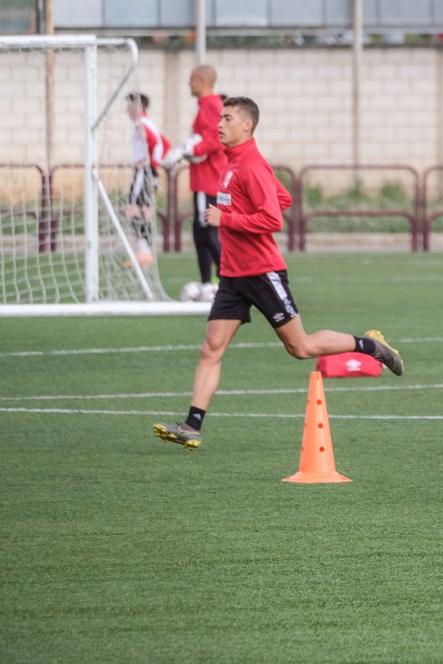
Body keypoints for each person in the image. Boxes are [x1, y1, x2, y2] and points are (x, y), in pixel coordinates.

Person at [153, 97, 404, 450]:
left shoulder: (250, 165)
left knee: (300, 348)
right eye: (220, 118)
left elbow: (273, 217)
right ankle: (192, 425)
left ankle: (371, 346)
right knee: (211, 347)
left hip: (262, 272)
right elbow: (280, 197)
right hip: (233, 276)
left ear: (247, 126)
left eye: (227, 119)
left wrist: (228, 219)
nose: (219, 124)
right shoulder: (232, 163)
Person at [162, 65, 228, 300]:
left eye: (191, 80)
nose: (188, 84)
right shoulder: (207, 106)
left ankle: (227, 282)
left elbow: (214, 141)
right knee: (201, 234)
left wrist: (185, 150)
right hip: (203, 180)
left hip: (209, 180)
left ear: (201, 81)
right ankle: (207, 283)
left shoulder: (211, 105)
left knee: (208, 233)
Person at [124, 92, 169, 267]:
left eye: (130, 105)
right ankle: (145, 252)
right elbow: (165, 142)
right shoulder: (143, 123)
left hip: (145, 173)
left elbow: (158, 143)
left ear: (138, 107)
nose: (127, 109)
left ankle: (144, 252)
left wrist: (152, 163)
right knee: (143, 210)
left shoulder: (142, 124)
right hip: (146, 172)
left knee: (133, 209)